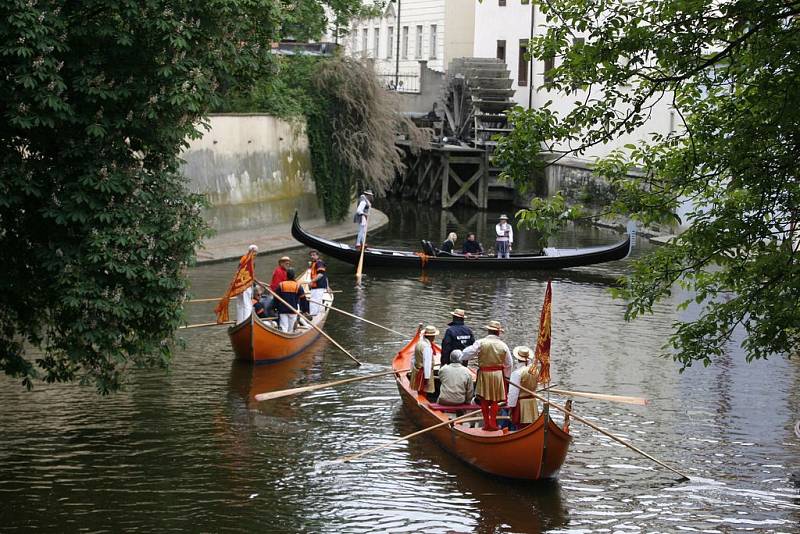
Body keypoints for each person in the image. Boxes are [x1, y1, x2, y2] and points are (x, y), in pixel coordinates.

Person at [460, 320, 513, 431]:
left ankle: (486, 424)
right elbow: (509, 363)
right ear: (498, 333)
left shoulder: (480, 343)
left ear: (488, 330)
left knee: (483, 399)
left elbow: (466, 354)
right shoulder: (503, 345)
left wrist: (461, 358)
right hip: (498, 375)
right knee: (495, 400)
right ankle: (493, 424)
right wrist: (507, 377)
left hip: (484, 374)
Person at [506, 346, 540, 430]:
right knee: (530, 427)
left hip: (521, 404)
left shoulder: (517, 373)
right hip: (532, 402)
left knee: (520, 427)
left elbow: (513, 393)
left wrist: (511, 407)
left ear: (517, 359)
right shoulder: (535, 370)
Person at [410, 325, 438, 401]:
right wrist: (427, 378)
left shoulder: (419, 343)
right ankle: (423, 401)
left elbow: (413, 358)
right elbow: (427, 364)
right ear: (432, 337)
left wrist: (411, 369)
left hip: (417, 369)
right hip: (423, 373)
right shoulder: (427, 348)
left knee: (420, 390)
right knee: (424, 390)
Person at [276, 267, 306, 332]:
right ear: (294, 276)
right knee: (291, 329)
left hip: (283, 310)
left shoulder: (281, 285)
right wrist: (304, 310)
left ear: (286, 275)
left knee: (283, 328)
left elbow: (276, 298)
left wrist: (276, 308)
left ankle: (283, 338)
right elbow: (303, 299)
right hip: (293, 310)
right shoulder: (298, 286)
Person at [235, 244, 258, 323]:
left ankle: (240, 321)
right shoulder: (250, 260)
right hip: (246, 285)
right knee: (247, 304)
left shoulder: (242, 259)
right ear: (253, 251)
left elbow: (238, 272)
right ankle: (247, 322)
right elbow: (250, 275)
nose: (255, 254)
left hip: (238, 285)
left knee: (240, 304)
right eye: (255, 252)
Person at [308, 249, 328, 316]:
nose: (312, 256)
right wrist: (327, 286)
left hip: (318, 286)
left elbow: (321, 274)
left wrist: (311, 281)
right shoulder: (315, 263)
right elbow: (325, 276)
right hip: (317, 286)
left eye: (314, 255)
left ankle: (313, 315)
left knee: (314, 301)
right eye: (311, 255)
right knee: (316, 300)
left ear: (317, 256)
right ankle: (317, 314)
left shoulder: (319, 263)